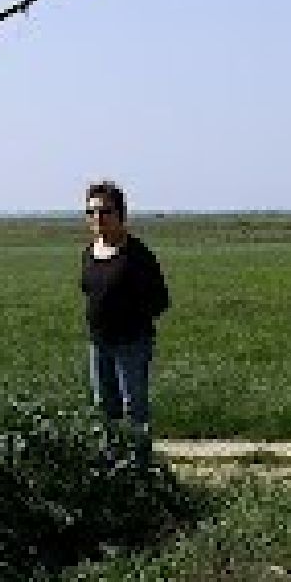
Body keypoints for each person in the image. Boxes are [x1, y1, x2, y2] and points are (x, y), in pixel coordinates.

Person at [79, 180, 170, 457]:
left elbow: (160, 301)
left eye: (105, 211)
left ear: (121, 214)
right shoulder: (89, 253)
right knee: (104, 407)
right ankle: (112, 463)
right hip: (99, 343)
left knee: (134, 408)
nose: (98, 218)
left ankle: (140, 465)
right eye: (91, 212)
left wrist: (130, 318)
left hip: (131, 343)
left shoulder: (138, 256)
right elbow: (88, 290)